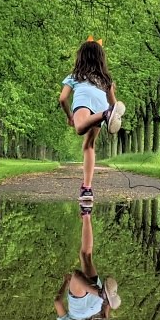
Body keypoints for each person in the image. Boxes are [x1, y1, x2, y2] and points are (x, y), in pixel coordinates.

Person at [58, 38, 125, 207]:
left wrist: (69, 116)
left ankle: (104, 114)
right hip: (102, 103)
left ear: (80, 57)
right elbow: (114, 104)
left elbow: (63, 98)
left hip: (85, 100)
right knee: (89, 145)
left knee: (80, 128)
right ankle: (86, 188)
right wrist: (111, 112)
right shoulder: (106, 80)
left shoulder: (74, 76)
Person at [53, 209, 121, 320]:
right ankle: (99, 292)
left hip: (96, 303)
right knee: (76, 275)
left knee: (86, 256)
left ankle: (86, 216)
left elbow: (106, 309)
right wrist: (66, 282)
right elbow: (57, 302)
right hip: (79, 305)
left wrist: (104, 299)